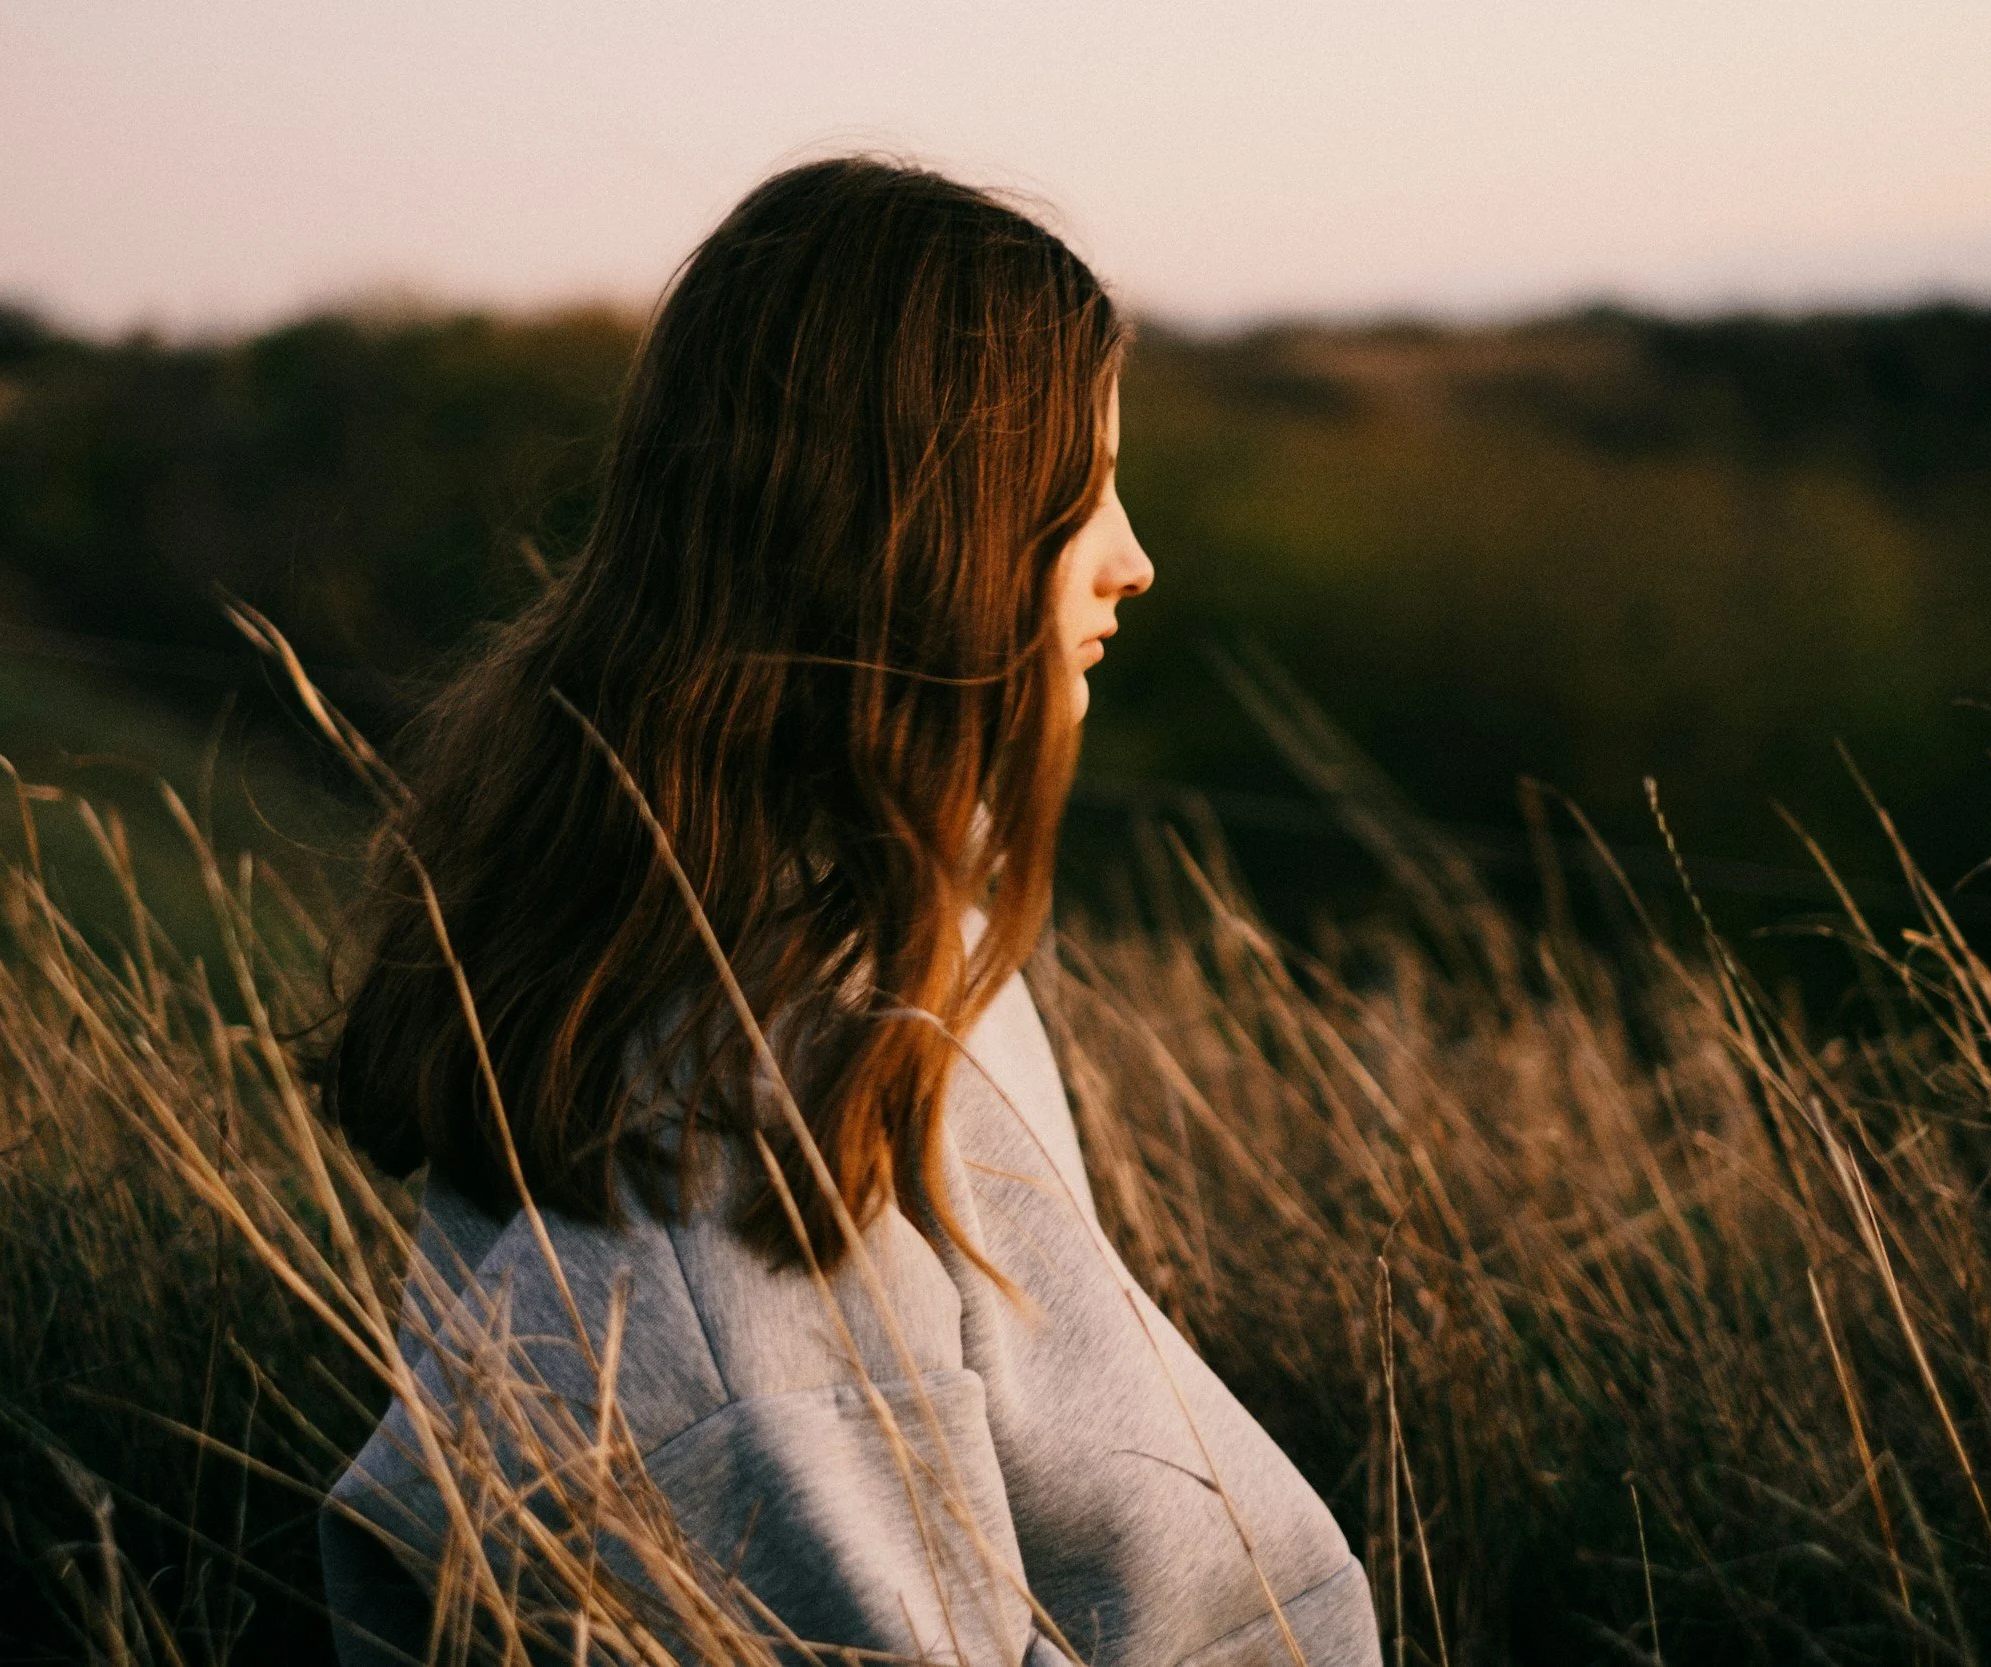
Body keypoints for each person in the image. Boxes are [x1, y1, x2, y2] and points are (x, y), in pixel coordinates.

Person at [312, 156, 1377, 1666]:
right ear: (912, 528)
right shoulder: (755, 1120)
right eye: (1077, 497)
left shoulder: (857, 937)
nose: (1135, 560)